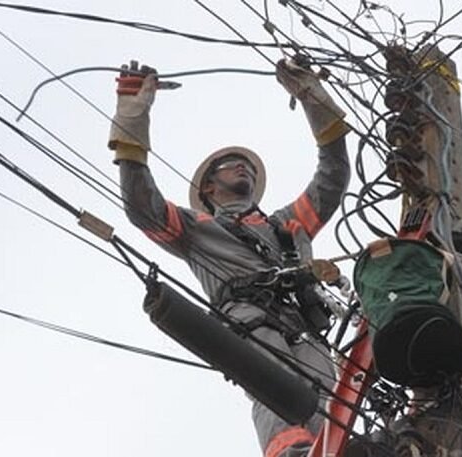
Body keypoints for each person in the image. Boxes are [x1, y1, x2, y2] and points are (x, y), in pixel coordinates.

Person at [107, 59, 351, 457]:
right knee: (273, 387)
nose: (242, 168)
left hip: (303, 323)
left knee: (329, 400)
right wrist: (133, 116)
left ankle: (330, 450)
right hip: (248, 320)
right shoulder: (198, 229)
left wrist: (313, 99)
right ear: (208, 188)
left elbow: (334, 174)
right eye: (228, 166)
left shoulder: (288, 226)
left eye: (248, 168)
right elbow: (141, 206)